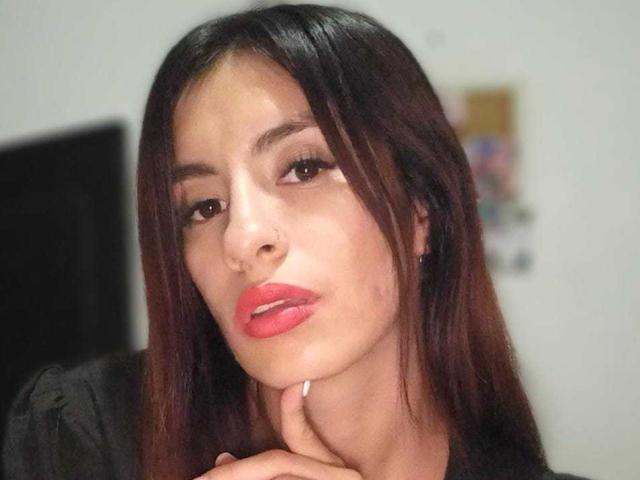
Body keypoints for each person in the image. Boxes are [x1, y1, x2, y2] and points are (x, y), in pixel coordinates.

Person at [3, 4, 590, 480]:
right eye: (204, 207)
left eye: (304, 168)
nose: (242, 238)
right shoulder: (79, 434)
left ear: (422, 212)